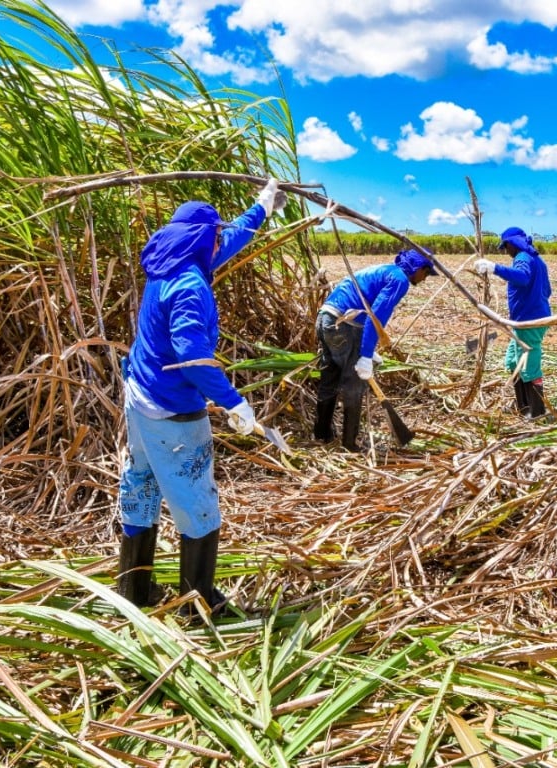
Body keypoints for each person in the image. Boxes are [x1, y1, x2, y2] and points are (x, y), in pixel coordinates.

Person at [116, 179, 285, 615]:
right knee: (199, 504)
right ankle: (198, 603)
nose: (219, 243)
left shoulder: (167, 262)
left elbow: (227, 242)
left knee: (142, 487)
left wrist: (262, 208)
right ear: (203, 238)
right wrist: (234, 403)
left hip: (138, 393)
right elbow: (192, 359)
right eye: (216, 236)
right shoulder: (190, 285)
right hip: (170, 409)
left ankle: (133, 593)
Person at [313, 249, 437, 451]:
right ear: (418, 268)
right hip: (344, 325)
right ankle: (350, 445)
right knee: (354, 384)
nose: (425, 279)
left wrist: (367, 350)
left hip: (326, 318)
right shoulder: (399, 280)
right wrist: (365, 355)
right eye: (426, 273)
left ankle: (321, 434)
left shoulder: (386, 270)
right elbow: (375, 317)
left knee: (330, 376)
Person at [474, 227, 552, 419]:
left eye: (505, 246)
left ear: (512, 244)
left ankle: (536, 412)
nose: (505, 251)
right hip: (527, 320)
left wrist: (495, 268)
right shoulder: (538, 261)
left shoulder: (523, 258)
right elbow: (547, 290)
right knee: (513, 361)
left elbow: (523, 278)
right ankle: (523, 407)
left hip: (530, 321)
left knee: (529, 364)